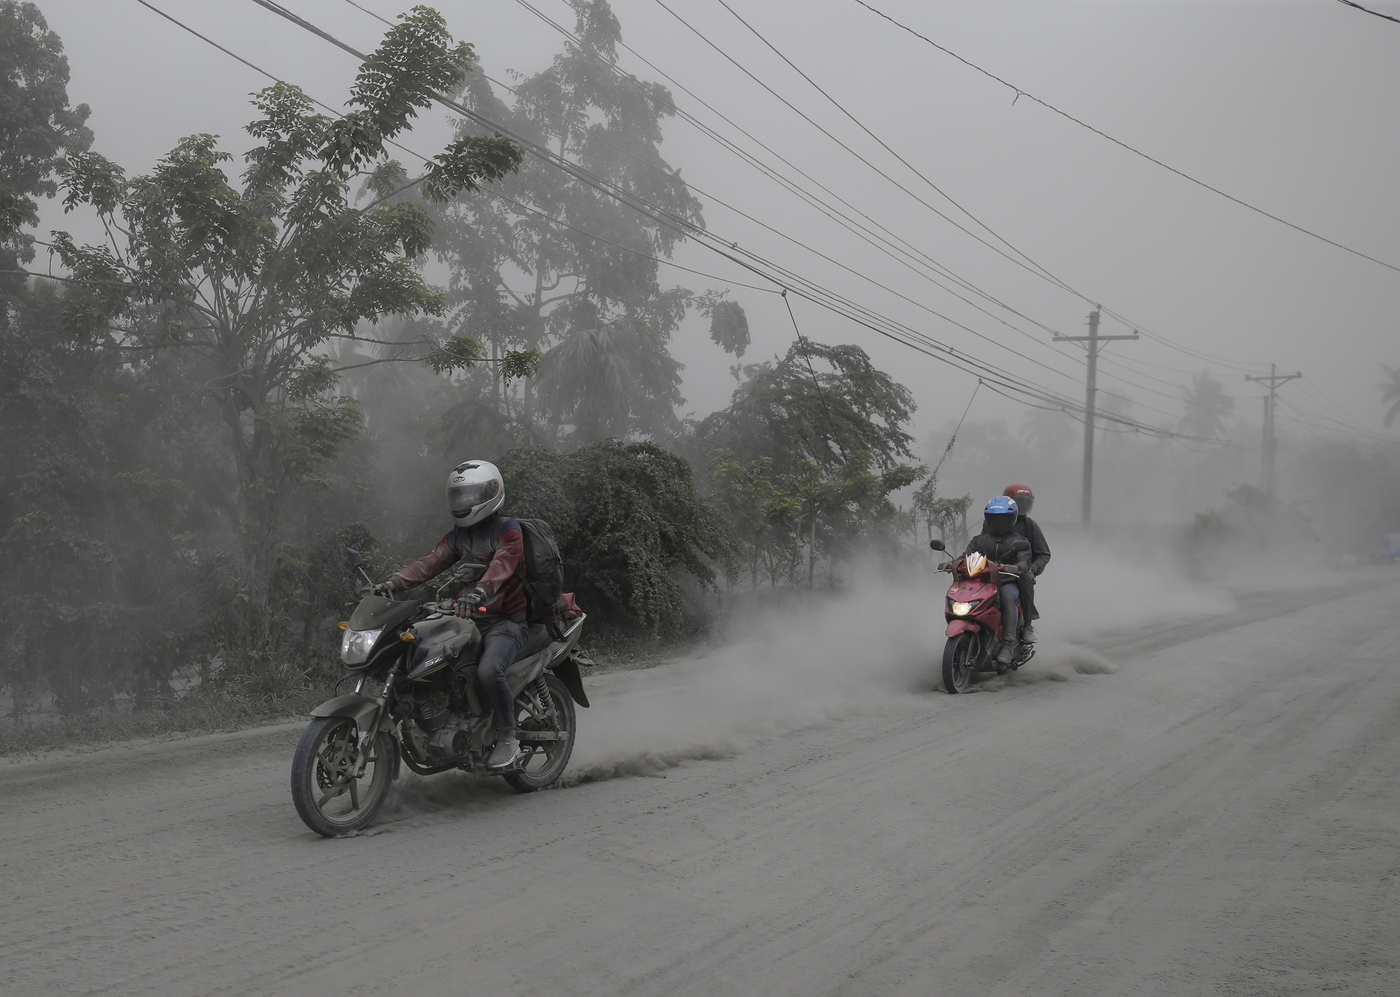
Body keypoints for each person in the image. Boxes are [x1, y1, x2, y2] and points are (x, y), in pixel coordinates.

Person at [373, 459, 529, 770]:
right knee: (423, 655)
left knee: (488, 671)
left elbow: (502, 567)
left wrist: (479, 592)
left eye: (471, 496)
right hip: (468, 617)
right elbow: (430, 562)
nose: (464, 503)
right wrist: (393, 583)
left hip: (505, 621)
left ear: (492, 493)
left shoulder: (508, 530)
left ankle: (508, 735)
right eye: (459, 497)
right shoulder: (459, 534)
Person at [962, 495, 1033, 664]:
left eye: (1003, 519)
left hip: (1008, 583)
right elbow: (967, 556)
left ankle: (1008, 643)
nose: (998, 523)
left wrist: (1016, 567)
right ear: (987, 519)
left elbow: (1025, 561)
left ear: (1012, 520)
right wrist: (952, 563)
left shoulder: (1020, 541)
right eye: (994, 519)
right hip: (983, 583)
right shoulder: (979, 540)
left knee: (1008, 597)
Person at [1003, 483, 1050, 644]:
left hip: (1020, 571)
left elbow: (1044, 554)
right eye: (1018, 503)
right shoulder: (991, 522)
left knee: (1025, 580)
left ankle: (1028, 625)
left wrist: (1033, 569)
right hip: (994, 570)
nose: (1022, 507)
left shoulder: (1030, 526)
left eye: (1025, 503)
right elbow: (980, 547)